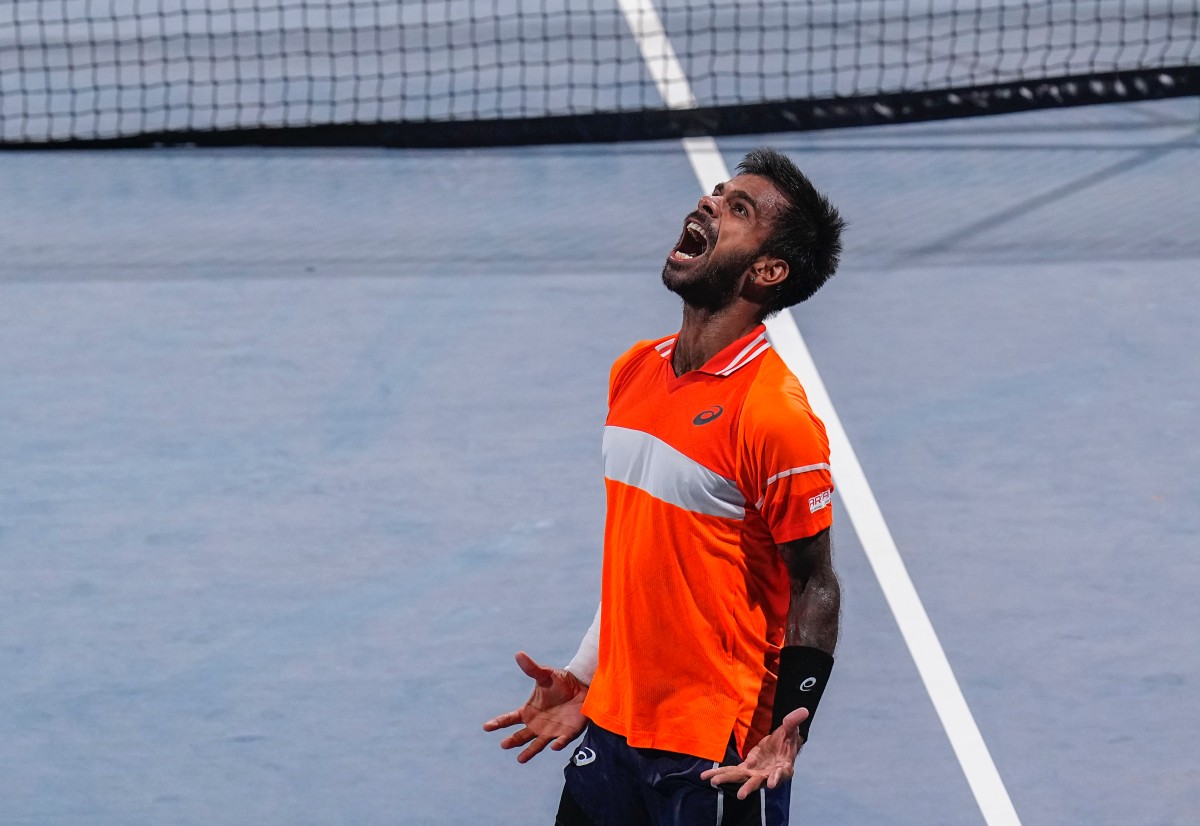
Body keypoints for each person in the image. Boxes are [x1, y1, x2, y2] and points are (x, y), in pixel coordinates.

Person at [484, 147, 846, 825]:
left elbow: (814, 583)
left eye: (739, 208)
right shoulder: (635, 372)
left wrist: (790, 729)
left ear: (768, 271)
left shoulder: (772, 417)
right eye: (717, 192)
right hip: (615, 725)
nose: (710, 202)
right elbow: (644, 558)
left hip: (717, 750)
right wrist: (587, 675)